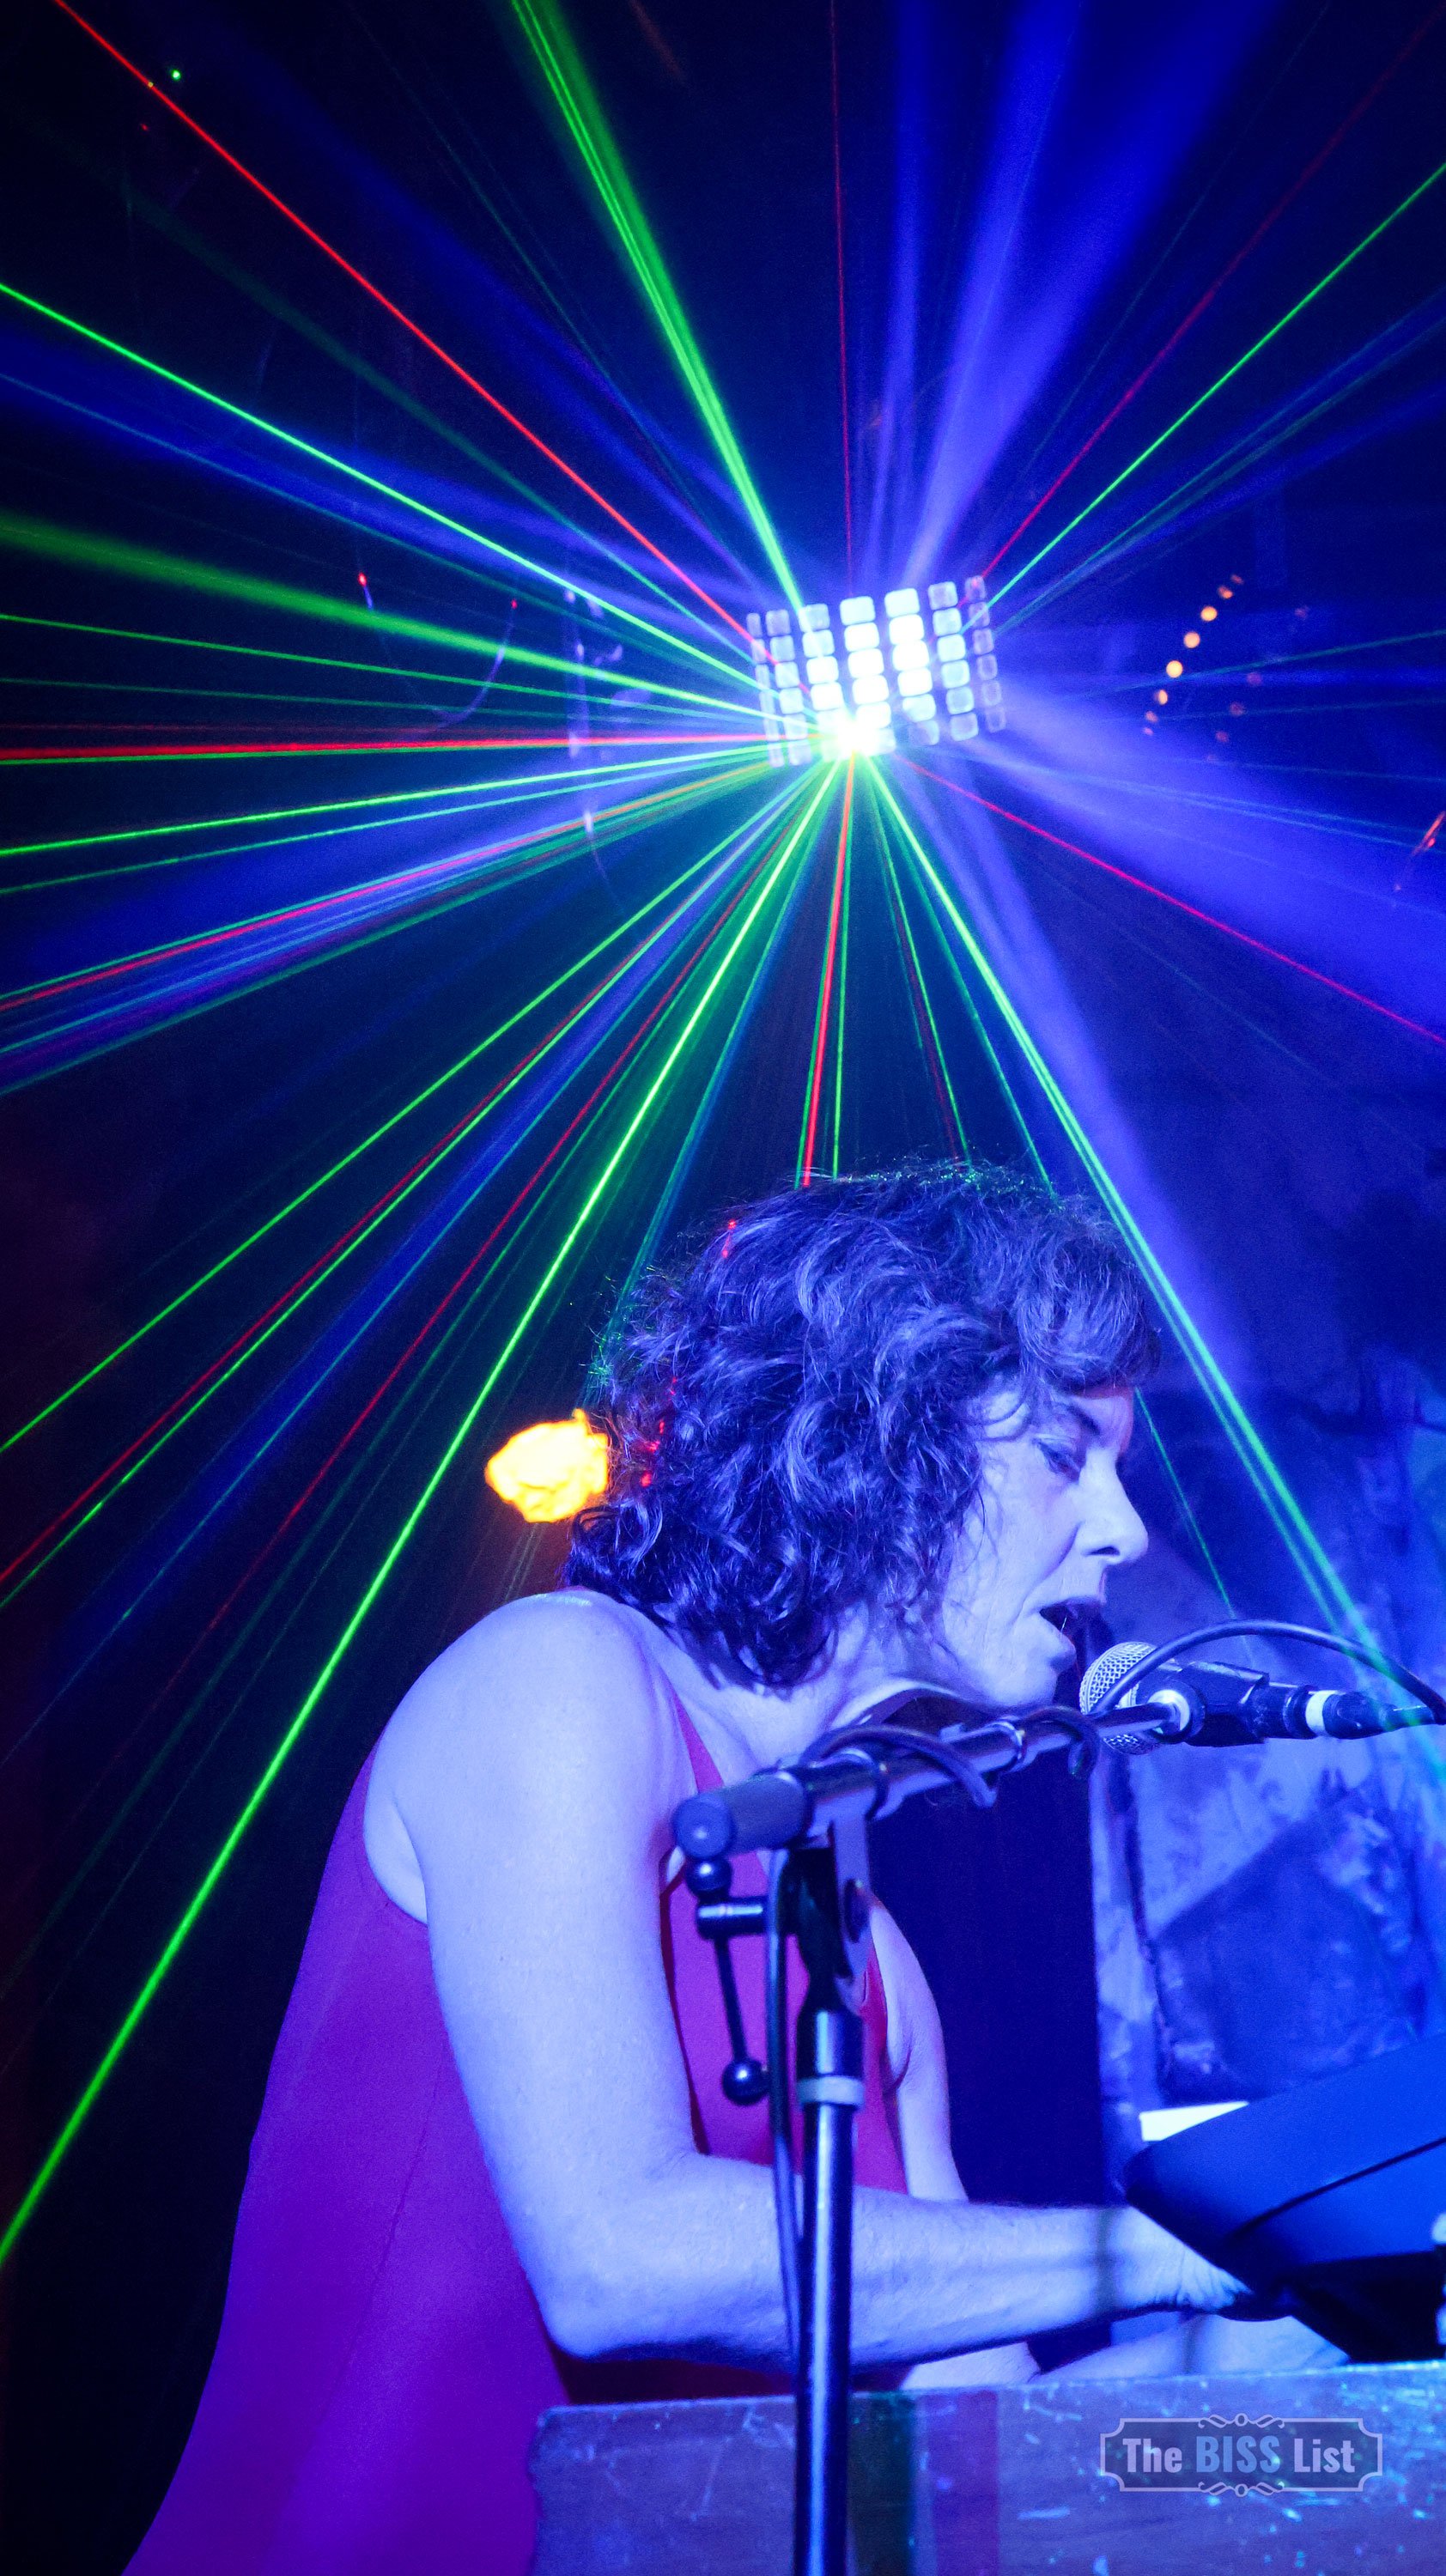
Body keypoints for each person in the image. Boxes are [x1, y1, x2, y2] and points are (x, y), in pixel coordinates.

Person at [128, 1165, 1300, 2576]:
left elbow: (989, 2458)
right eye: (1067, 1456)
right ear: (885, 1433)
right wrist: (1180, 2250)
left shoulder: (873, 1966)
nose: (1125, 1531)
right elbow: (617, 2257)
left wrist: (1303, 2309)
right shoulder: (557, 1680)